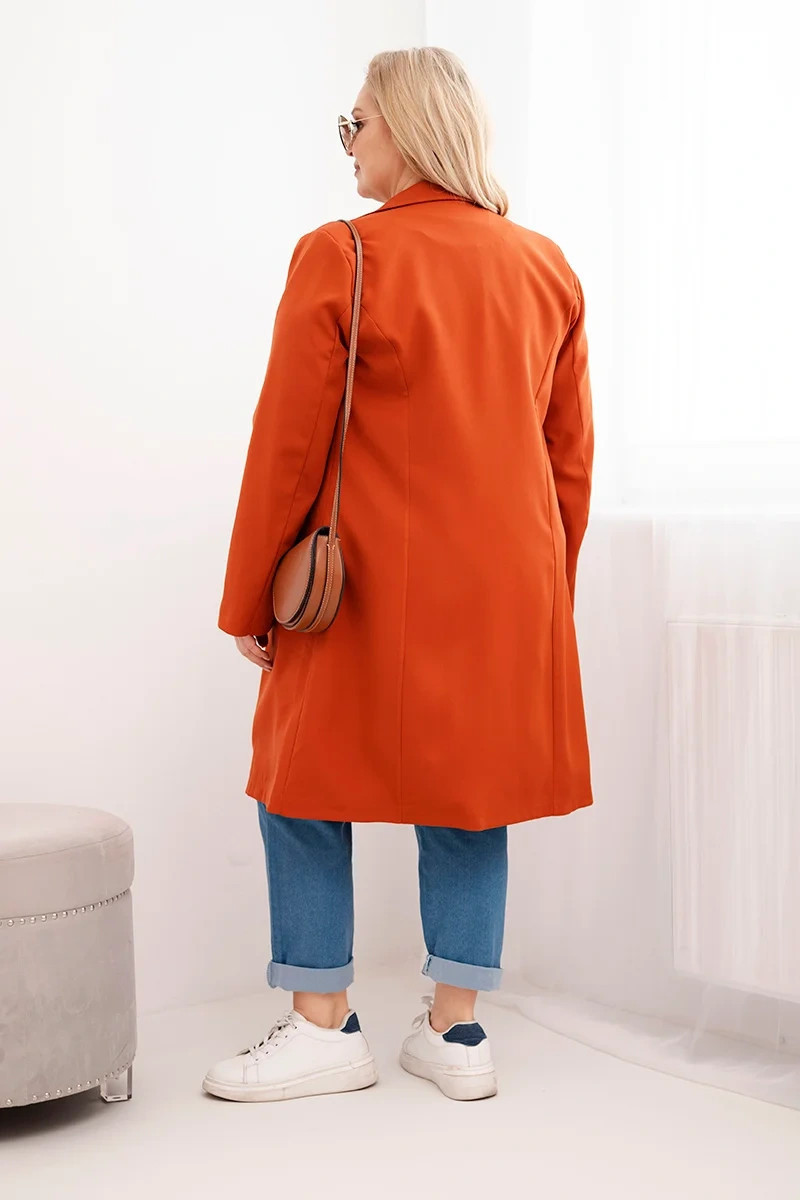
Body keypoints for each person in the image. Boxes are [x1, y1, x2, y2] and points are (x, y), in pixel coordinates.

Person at [203, 45, 594, 1104]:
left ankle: (321, 1024)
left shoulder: (342, 252)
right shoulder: (545, 265)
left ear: (409, 128)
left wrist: (249, 598)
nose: (348, 144)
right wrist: (545, 601)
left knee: (297, 782)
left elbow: (286, 444)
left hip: (362, 584)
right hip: (506, 586)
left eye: (358, 122)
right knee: (472, 789)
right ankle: (456, 1032)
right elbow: (568, 458)